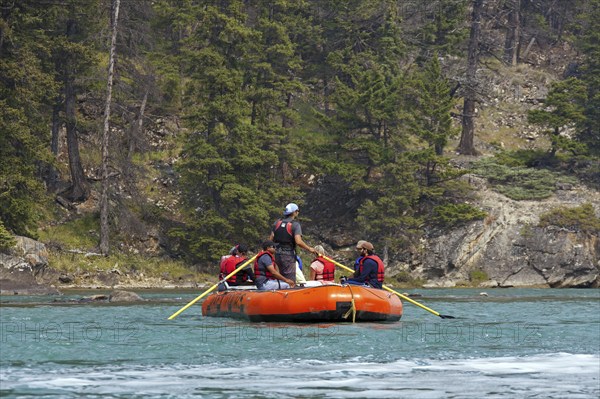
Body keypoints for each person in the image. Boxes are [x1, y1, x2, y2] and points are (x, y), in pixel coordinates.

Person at [269, 202, 318, 283]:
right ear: (294, 212)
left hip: (277, 254)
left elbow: (271, 239)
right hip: (288, 255)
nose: (298, 212)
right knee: (290, 280)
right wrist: (310, 249)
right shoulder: (295, 225)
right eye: (297, 211)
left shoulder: (277, 223)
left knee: (281, 278)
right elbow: (298, 241)